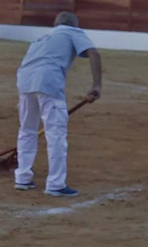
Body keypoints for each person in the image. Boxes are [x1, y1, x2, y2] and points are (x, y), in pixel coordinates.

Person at [13, 11, 103, 198]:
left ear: (55, 23)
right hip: (48, 82)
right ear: (75, 24)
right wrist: (96, 85)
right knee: (55, 134)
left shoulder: (43, 36)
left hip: (25, 81)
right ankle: (55, 184)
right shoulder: (72, 31)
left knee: (27, 130)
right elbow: (93, 53)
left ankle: (22, 177)